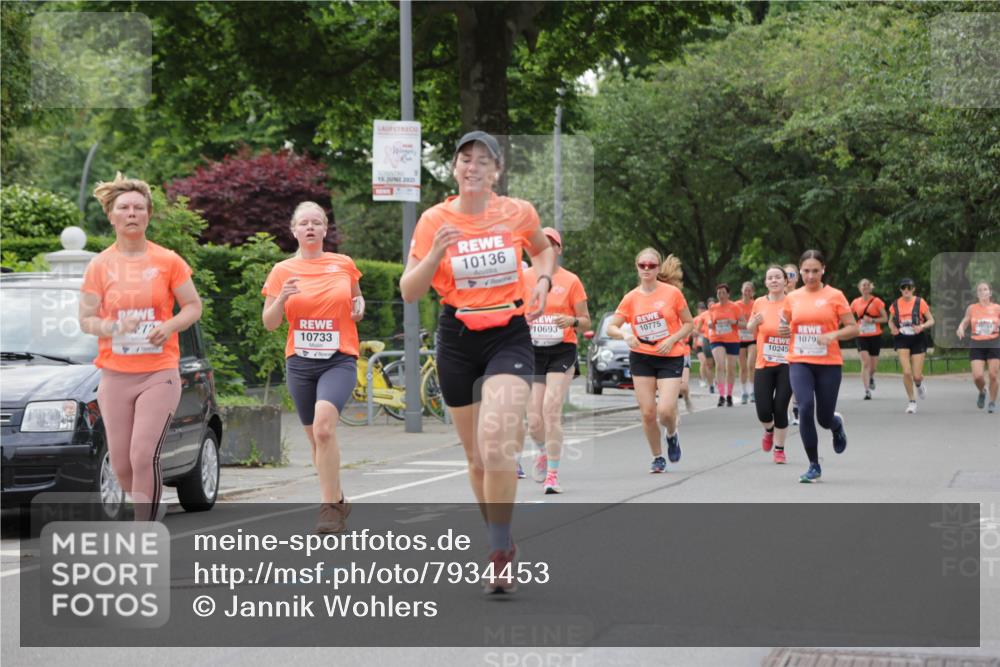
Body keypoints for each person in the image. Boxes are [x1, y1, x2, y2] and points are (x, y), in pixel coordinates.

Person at [400, 131, 555, 594]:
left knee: (495, 445)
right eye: (465, 159)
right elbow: (409, 290)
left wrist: (543, 282)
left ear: (497, 172)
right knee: (475, 458)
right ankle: (502, 539)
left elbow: (542, 248)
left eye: (483, 161)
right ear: (454, 169)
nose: (473, 167)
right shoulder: (435, 220)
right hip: (457, 338)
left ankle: (497, 552)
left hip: (508, 334)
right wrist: (434, 255)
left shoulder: (517, 212)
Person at [79, 173, 203, 521]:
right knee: (120, 461)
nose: (131, 213)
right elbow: (86, 319)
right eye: (124, 207)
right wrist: (113, 326)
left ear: (148, 214)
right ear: (112, 216)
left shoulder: (168, 261)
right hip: (115, 375)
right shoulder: (99, 266)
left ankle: (144, 534)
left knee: (142, 453)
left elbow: (193, 306)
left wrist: (170, 326)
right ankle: (150, 506)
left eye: (138, 207)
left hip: (159, 373)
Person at [262, 202, 364, 534]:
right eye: (303, 222)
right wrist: (281, 298)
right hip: (301, 362)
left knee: (323, 429)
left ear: (324, 230)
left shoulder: (343, 264)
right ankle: (337, 498)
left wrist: (359, 306)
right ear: (293, 230)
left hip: (339, 358)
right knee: (315, 440)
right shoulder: (281, 271)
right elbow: (269, 323)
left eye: (316, 222)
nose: (309, 227)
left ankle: (329, 510)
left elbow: (356, 301)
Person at [606, 250, 694, 473]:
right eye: (642, 265)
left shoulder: (672, 294)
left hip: (669, 356)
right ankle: (657, 457)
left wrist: (673, 339)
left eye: (651, 265)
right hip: (642, 357)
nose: (646, 269)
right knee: (647, 413)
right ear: (636, 266)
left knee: (665, 411)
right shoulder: (631, 298)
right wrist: (626, 335)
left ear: (657, 268)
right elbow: (611, 327)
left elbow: (688, 323)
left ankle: (672, 434)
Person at [778, 250, 858, 483]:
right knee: (804, 407)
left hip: (828, 363)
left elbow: (853, 328)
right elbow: (784, 325)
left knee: (823, 418)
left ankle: (836, 424)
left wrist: (833, 334)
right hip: (800, 361)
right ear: (800, 271)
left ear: (823, 269)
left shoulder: (835, 295)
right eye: (806, 271)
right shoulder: (792, 298)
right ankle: (814, 464)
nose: (810, 276)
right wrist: (784, 330)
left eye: (815, 270)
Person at [524, 227, 591, 494]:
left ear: (559, 250)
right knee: (534, 420)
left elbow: (585, 320)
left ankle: (552, 475)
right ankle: (542, 451)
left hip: (562, 349)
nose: (546, 248)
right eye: (541, 244)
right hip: (532, 351)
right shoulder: (523, 278)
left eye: (552, 244)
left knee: (551, 410)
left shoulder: (571, 280)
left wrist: (572, 320)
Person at [747, 266, 792, 464]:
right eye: (770, 278)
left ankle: (779, 449)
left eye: (778, 277)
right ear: (765, 283)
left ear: (785, 281)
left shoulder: (792, 302)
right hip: (764, 363)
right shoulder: (759, 303)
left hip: (787, 363)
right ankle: (769, 430)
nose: (774, 280)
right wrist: (751, 324)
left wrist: (790, 330)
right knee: (764, 410)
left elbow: (800, 328)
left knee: (781, 407)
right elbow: (752, 330)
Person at [888, 278, 935, 414]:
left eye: (909, 287)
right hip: (902, 338)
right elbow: (890, 321)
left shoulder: (920, 302)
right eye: (903, 288)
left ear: (913, 289)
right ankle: (912, 401)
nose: (906, 290)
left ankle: (919, 384)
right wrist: (892, 328)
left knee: (916, 376)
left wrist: (922, 326)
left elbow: (931, 320)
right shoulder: (895, 304)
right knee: (906, 372)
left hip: (918, 338)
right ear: (900, 290)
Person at [956, 281, 1000, 413]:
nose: (982, 292)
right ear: (977, 294)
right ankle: (982, 391)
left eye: (985, 289)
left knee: (993, 375)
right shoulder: (972, 308)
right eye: (980, 290)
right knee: (977, 376)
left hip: (994, 343)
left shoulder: (997, 308)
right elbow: (965, 320)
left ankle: (992, 402)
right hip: (977, 344)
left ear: (990, 293)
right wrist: (960, 327)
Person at [850, 279, 887, 400]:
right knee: (865, 363)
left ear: (871, 287)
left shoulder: (877, 302)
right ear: (859, 288)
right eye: (863, 285)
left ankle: (871, 377)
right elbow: (848, 316)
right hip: (861, 335)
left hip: (875, 335)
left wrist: (872, 320)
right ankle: (866, 391)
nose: (865, 287)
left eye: (867, 285)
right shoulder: (855, 302)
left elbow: (885, 318)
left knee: (873, 367)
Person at [707, 284, 742, 406]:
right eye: (718, 293)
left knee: (731, 368)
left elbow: (744, 324)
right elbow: (710, 321)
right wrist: (710, 324)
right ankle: (721, 395)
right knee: (720, 365)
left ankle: (729, 395)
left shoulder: (735, 307)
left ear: (728, 294)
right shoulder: (713, 307)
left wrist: (734, 322)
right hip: (717, 338)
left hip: (732, 339)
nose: (721, 295)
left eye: (723, 293)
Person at [784, 263, 801, 425]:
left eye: (792, 275)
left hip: (798, 341)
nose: (789, 279)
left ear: (797, 277)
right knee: (784, 378)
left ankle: (796, 409)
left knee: (795, 377)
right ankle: (784, 410)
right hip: (780, 342)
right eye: (786, 275)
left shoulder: (802, 295)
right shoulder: (777, 296)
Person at [737, 281, 757, 404]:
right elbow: (733, 323)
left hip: (752, 339)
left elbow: (758, 321)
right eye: (745, 289)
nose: (747, 292)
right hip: (739, 339)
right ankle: (744, 392)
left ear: (752, 292)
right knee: (743, 367)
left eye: (750, 290)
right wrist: (746, 324)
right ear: (742, 290)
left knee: (751, 365)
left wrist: (746, 324)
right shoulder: (736, 305)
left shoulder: (756, 304)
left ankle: (752, 391)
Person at [692, 302, 713, 390]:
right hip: (698, 344)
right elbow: (694, 331)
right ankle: (702, 379)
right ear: (697, 310)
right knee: (703, 361)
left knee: (708, 363)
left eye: (703, 308)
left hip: (706, 343)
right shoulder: (696, 319)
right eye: (700, 308)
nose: (702, 310)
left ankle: (709, 380)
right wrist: (694, 342)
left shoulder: (707, 317)